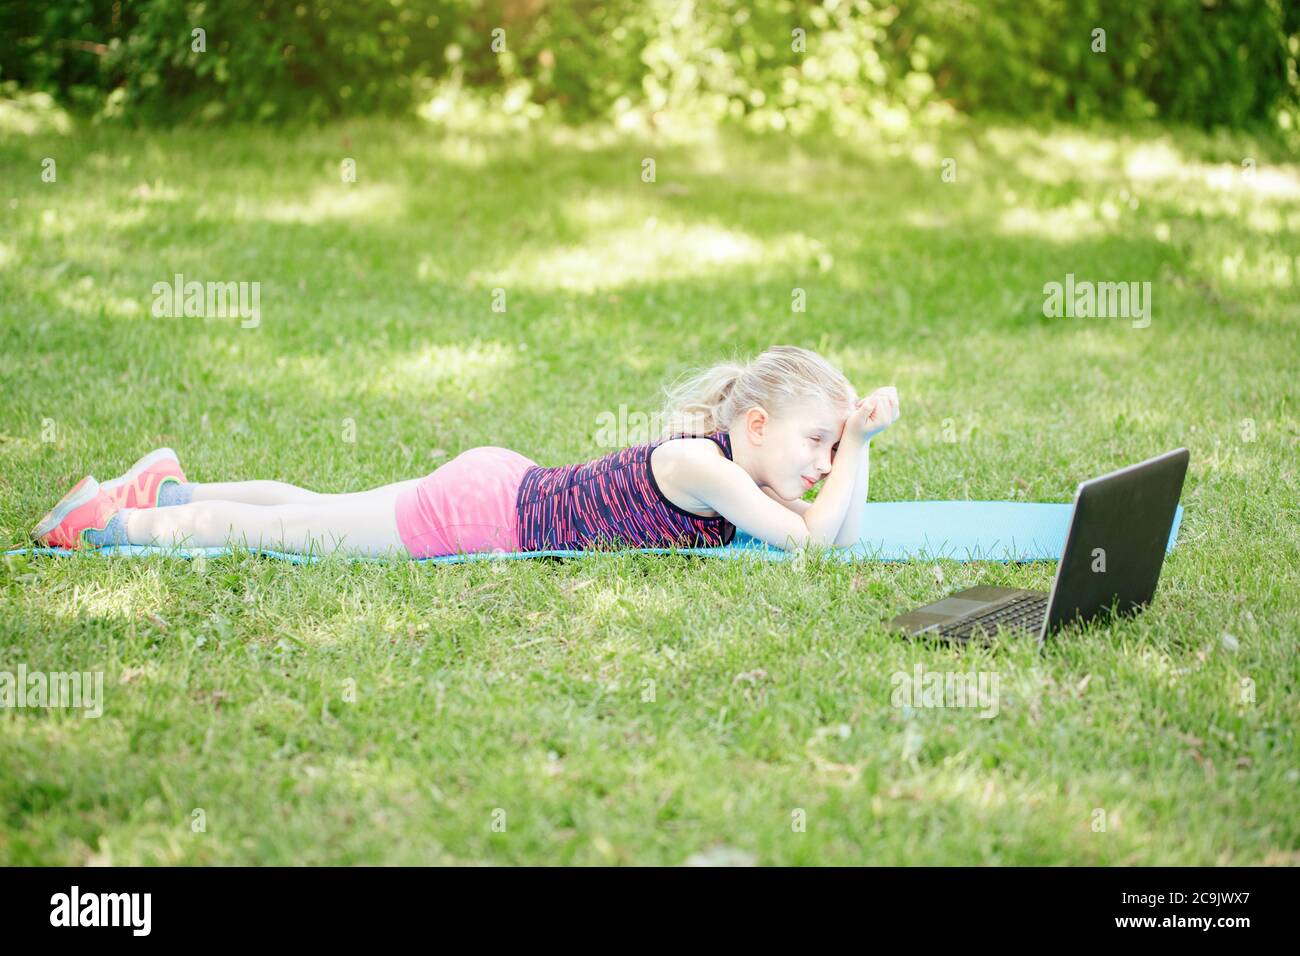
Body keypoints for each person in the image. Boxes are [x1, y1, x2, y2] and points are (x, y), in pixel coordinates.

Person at [29, 345, 899, 557]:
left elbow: (836, 530)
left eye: (830, 446)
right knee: (299, 530)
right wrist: (859, 439)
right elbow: (818, 543)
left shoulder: (731, 468)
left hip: (499, 483)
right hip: (484, 510)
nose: (823, 464)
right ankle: (110, 526)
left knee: (315, 503)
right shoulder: (704, 468)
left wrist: (850, 450)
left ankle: (169, 493)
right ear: (754, 427)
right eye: (815, 442)